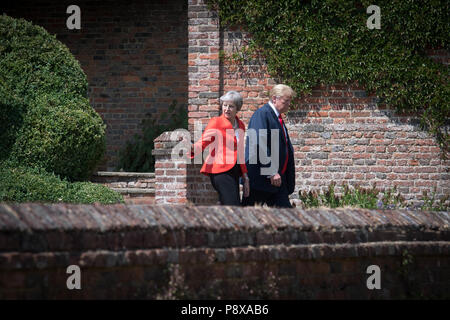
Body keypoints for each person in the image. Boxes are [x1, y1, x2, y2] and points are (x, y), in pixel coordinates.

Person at [191, 91, 250, 205]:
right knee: (233, 206)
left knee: (228, 207)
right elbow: (203, 142)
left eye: (231, 106)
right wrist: (191, 147)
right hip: (220, 171)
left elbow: (240, 153)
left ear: (237, 108)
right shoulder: (216, 122)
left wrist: (245, 176)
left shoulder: (240, 125)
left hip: (234, 171)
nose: (227, 109)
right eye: (224, 105)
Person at [243, 84, 296, 208]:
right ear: (274, 99)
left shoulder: (277, 117)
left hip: (276, 181)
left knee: (286, 216)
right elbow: (258, 143)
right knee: (248, 218)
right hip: (262, 179)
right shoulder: (262, 114)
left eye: (289, 101)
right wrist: (271, 171)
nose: (289, 104)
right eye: (286, 101)